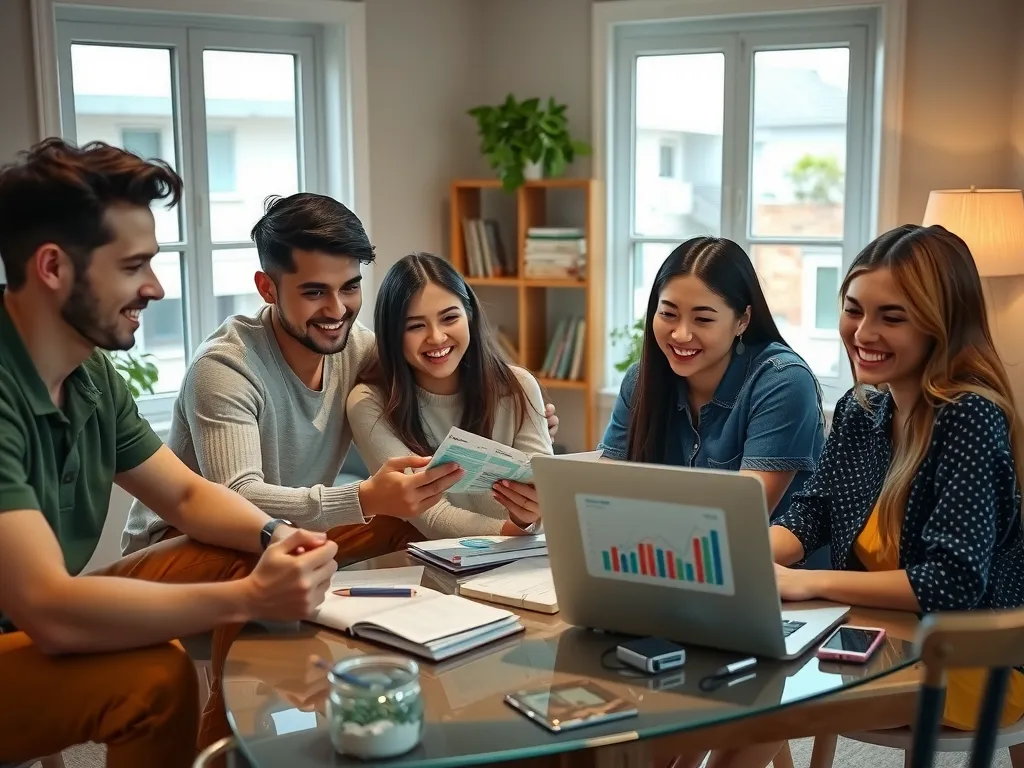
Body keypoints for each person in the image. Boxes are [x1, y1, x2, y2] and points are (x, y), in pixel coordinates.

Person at [0, 138, 340, 767]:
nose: (156, 288)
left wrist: (276, 535)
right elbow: (46, 609)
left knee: (240, 549)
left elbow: (183, 494)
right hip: (27, 620)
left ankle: (236, 749)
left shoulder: (90, 374)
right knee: (156, 679)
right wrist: (250, 599)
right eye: (133, 266)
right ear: (53, 268)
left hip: (33, 613)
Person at [122, 194, 560, 556]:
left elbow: (434, 376)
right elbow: (236, 498)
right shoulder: (225, 368)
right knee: (386, 512)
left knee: (398, 528)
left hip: (288, 539)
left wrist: (528, 411)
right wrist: (363, 498)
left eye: (349, 287)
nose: (336, 310)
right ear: (267, 288)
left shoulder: (359, 348)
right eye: (314, 292)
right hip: (186, 544)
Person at [770, 224, 1024, 736]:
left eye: (892, 317)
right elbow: (815, 509)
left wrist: (803, 582)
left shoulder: (970, 417)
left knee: (769, 699)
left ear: (940, 325)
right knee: (744, 684)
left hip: (971, 657)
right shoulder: (862, 409)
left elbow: (952, 583)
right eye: (853, 308)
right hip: (878, 635)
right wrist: (744, 554)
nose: (862, 333)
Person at [494, 236, 826, 526]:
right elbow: (605, 484)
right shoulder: (641, 379)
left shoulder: (783, 382)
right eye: (667, 314)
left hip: (783, 579)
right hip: (665, 564)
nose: (680, 334)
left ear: (743, 320)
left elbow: (742, 517)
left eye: (703, 318)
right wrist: (543, 501)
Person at [347, 252, 553, 537]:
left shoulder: (518, 386)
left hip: (524, 564)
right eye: (415, 325)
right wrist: (514, 531)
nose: (437, 337)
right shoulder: (369, 403)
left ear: (469, 315)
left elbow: (545, 493)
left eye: (449, 318)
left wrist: (531, 517)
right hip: (434, 572)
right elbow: (428, 513)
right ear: (392, 334)